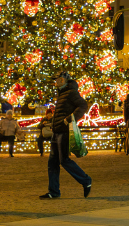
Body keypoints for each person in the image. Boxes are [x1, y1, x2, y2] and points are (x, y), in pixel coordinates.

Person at [38, 70, 92, 199]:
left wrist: (71, 118)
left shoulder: (71, 92)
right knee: (52, 162)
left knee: (64, 160)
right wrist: (54, 123)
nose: (55, 82)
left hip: (64, 131)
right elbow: (62, 111)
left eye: (57, 79)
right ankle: (53, 191)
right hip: (57, 131)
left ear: (63, 80)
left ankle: (86, 180)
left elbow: (83, 105)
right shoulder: (62, 93)